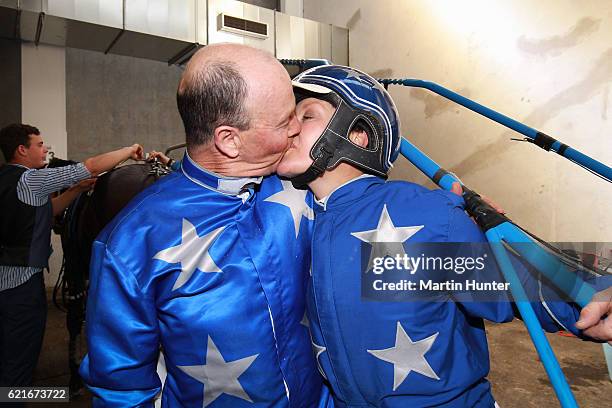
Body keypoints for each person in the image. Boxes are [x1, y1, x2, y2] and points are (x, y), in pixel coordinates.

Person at [276, 65, 612, 407]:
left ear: (358, 134)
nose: (289, 128)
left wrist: (593, 296)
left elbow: (510, 284)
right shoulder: (292, 218)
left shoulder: (418, 213)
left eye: (307, 115)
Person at [79, 44, 330, 407]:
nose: (297, 129)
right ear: (229, 140)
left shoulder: (304, 183)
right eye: (284, 120)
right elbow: (122, 389)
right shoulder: (132, 243)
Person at [0, 123, 144, 389]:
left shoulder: (8, 180)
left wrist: (76, 191)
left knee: (10, 355)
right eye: (39, 144)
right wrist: (128, 149)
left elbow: (46, 211)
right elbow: (89, 165)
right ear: (21, 150)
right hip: (21, 288)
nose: (45, 149)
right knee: (18, 365)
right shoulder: (31, 179)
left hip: (7, 280)